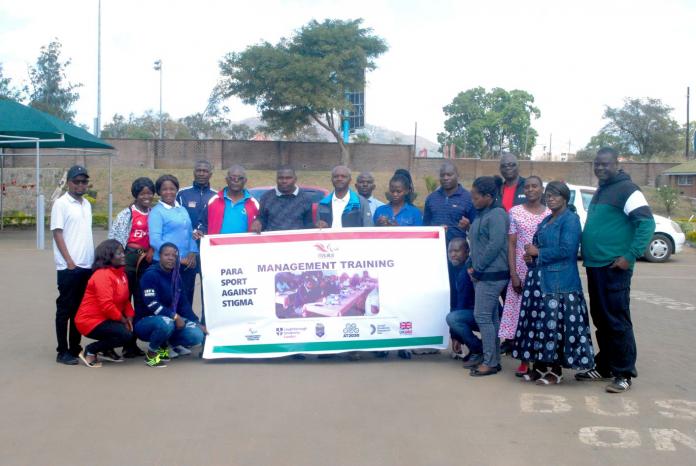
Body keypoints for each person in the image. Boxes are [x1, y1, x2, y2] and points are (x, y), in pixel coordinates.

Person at [576, 147, 656, 393]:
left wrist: (630, 256)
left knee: (617, 319)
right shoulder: (603, 188)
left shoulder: (627, 189)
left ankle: (624, 373)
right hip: (596, 265)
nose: (600, 168)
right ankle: (605, 366)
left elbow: (646, 223)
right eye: (597, 164)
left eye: (605, 164)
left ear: (616, 163)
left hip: (614, 267)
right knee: (601, 318)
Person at [510, 181, 595, 385]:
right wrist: (531, 259)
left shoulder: (571, 220)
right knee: (539, 327)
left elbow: (568, 251)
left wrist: (538, 252)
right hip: (539, 282)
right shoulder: (546, 220)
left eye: (556, 194)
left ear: (565, 197)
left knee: (555, 328)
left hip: (560, 284)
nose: (551, 198)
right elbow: (537, 247)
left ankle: (555, 370)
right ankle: (538, 368)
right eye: (548, 194)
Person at [499, 175, 550, 376]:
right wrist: (513, 274)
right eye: (527, 187)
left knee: (540, 315)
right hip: (520, 270)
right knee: (521, 316)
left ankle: (539, 358)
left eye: (535, 186)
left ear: (541, 189)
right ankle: (523, 359)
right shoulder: (515, 212)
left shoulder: (549, 214)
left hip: (542, 271)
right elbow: (511, 244)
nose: (530, 190)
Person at [135, 243, 207, 368]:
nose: (171, 258)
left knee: (196, 334)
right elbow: (152, 304)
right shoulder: (150, 275)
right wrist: (175, 316)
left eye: (174, 255)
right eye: (166, 255)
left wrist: (196, 322)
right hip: (145, 322)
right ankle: (151, 355)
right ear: (159, 256)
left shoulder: (175, 276)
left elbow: (183, 303)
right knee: (166, 323)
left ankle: (165, 346)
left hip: (169, 319)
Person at [51, 165, 94, 365]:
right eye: (76, 181)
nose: (80, 185)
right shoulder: (61, 204)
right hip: (69, 267)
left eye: (83, 181)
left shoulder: (86, 204)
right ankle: (62, 351)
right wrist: (69, 261)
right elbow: (57, 233)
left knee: (80, 310)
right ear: (69, 182)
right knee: (65, 310)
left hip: (86, 266)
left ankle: (75, 348)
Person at [465, 175, 509, 377]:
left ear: (488, 197)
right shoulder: (483, 213)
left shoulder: (497, 215)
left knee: (482, 316)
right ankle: (493, 358)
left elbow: (495, 244)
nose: (473, 201)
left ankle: (490, 361)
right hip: (482, 272)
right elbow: (477, 244)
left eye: (476, 197)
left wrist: (478, 268)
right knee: (490, 317)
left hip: (492, 274)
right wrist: (471, 264)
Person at [108, 177, 155, 358]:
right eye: (142, 193)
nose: (146, 196)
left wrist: (152, 249)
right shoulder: (126, 214)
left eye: (149, 192)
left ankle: (133, 343)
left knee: (142, 301)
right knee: (122, 300)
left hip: (147, 260)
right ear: (136, 194)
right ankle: (118, 342)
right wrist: (116, 261)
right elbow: (114, 238)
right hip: (128, 258)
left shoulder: (155, 213)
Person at [423, 162, 476, 308]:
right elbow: (425, 226)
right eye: (442, 175)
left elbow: (477, 228)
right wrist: (435, 229)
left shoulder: (468, 198)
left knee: (458, 292)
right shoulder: (431, 198)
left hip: (458, 257)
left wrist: (468, 226)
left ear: (457, 176)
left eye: (449, 174)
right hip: (436, 256)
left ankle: (456, 327)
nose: (445, 178)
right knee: (438, 293)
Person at [75, 240, 135, 368]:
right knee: (125, 335)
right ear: (108, 256)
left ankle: (106, 350)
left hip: (108, 318)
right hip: (90, 321)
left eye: (123, 252)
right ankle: (91, 350)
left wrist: (130, 317)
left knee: (132, 328)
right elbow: (106, 305)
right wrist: (123, 321)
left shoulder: (122, 274)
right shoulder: (102, 275)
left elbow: (125, 300)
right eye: (119, 253)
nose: (123, 255)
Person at [149, 174, 198, 320]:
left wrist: (193, 252)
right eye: (164, 189)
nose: (168, 192)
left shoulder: (182, 209)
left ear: (177, 190)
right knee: (169, 301)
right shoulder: (157, 212)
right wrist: (177, 259)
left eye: (172, 188)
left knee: (185, 300)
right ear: (159, 192)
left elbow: (190, 233)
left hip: (186, 264)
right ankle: (169, 336)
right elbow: (155, 240)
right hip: (167, 265)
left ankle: (186, 333)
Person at [177, 160, 216, 313]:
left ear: (210, 174)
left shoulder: (216, 196)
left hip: (208, 251)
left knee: (208, 289)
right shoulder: (182, 194)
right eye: (198, 170)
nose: (201, 173)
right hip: (187, 250)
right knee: (186, 290)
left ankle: (206, 322)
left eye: (204, 171)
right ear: (193, 172)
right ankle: (186, 323)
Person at [194, 165, 259, 237]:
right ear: (227, 180)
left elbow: (263, 225)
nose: (236, 181)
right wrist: (200, 230)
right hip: (217, 246)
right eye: (232, 178)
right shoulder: (213, 201)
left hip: (244, 247)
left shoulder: (254, 204)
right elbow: (203, 223)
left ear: (245, 180)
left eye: (240, 178)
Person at [445, 238, 481, 367]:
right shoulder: (456, 268)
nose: (453, 254)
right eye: (450, 251)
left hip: (487, 317)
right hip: (472, 313)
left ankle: (478, 349)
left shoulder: (467, 271)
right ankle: (476, 349)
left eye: (456, 251)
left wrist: (456, 336)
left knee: (453, 318)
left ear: (467, 252)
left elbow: (461, 304)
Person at [251, 166, 314, 232]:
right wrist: (258, 223)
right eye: (280, 178)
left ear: (295, 179)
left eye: (288, 178)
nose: (284, 181)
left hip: (296, 239)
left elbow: (309, 224)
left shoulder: (306, 198)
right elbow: (262, 219)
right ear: (276, 180)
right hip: (272, 239)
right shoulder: (266, 197)